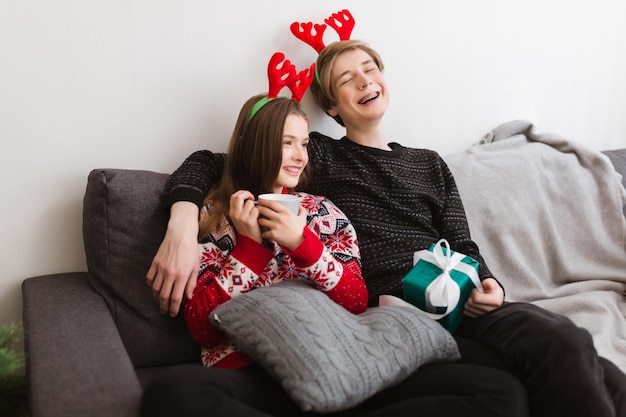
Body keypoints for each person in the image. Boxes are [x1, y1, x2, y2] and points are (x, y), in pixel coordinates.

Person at [148, 39, 626, 417]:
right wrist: (182, 220)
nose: (364, 81)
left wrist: (489, 284)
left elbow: (462, 241)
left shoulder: (427, 164)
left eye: (370, 69)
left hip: (463, 303)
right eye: (346, 79)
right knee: (523, 382)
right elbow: (229, 158)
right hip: (397, 315)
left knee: (584, 357)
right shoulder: (322, 156)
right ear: (331, 108)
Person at [142, 92, 529, 417]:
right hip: (253, 375)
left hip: (338, 362)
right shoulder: (212, 217)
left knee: (501, 391)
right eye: (286, 142)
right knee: (172, 390)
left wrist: (303, 244)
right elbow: (201, 329)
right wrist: (248, 248)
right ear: (255, 144)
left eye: (305, 143)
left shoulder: (325, 213)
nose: (299, 156)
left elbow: (356, 300)